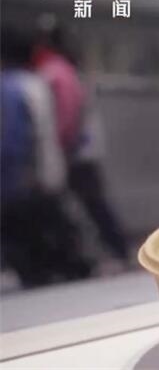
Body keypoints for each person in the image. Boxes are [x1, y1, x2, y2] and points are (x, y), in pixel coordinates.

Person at [1, 26, 91, 287]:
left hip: (20, 177)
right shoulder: (38, 83)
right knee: (48, 224)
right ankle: (70, 266)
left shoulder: (8, 87)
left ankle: (41, 272)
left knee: (20, 232)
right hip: (50, 166)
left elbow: (13, 139)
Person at [33, 22, 129, 262]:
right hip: (82, 148)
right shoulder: (69, 68)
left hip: (72, 151)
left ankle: (107, 251)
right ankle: (111, 250)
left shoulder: (54, 71)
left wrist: (61, 145)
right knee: (87, 204)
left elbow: (66, 113)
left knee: (81, 203)